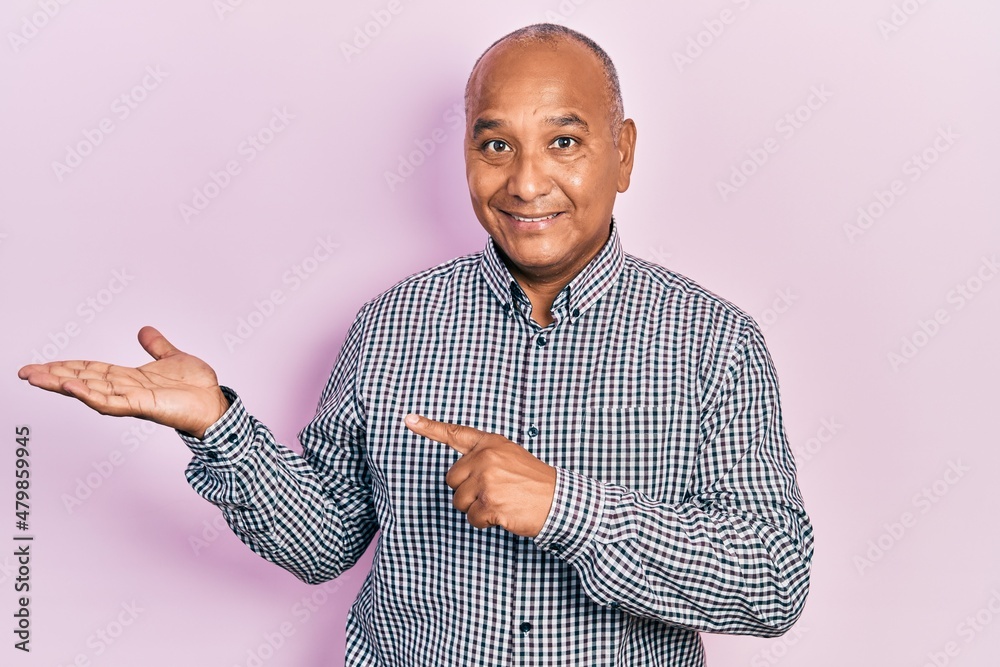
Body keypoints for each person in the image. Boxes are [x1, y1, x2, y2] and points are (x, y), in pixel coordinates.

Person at [18, 23, 812, 666]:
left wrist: (566, 509)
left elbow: (774, 582)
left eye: (564, 142)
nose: (526, 183)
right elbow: (325, 540)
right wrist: (216, 424)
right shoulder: (392, 325)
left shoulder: (714, 342)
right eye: (495, 145)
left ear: (624, 152)